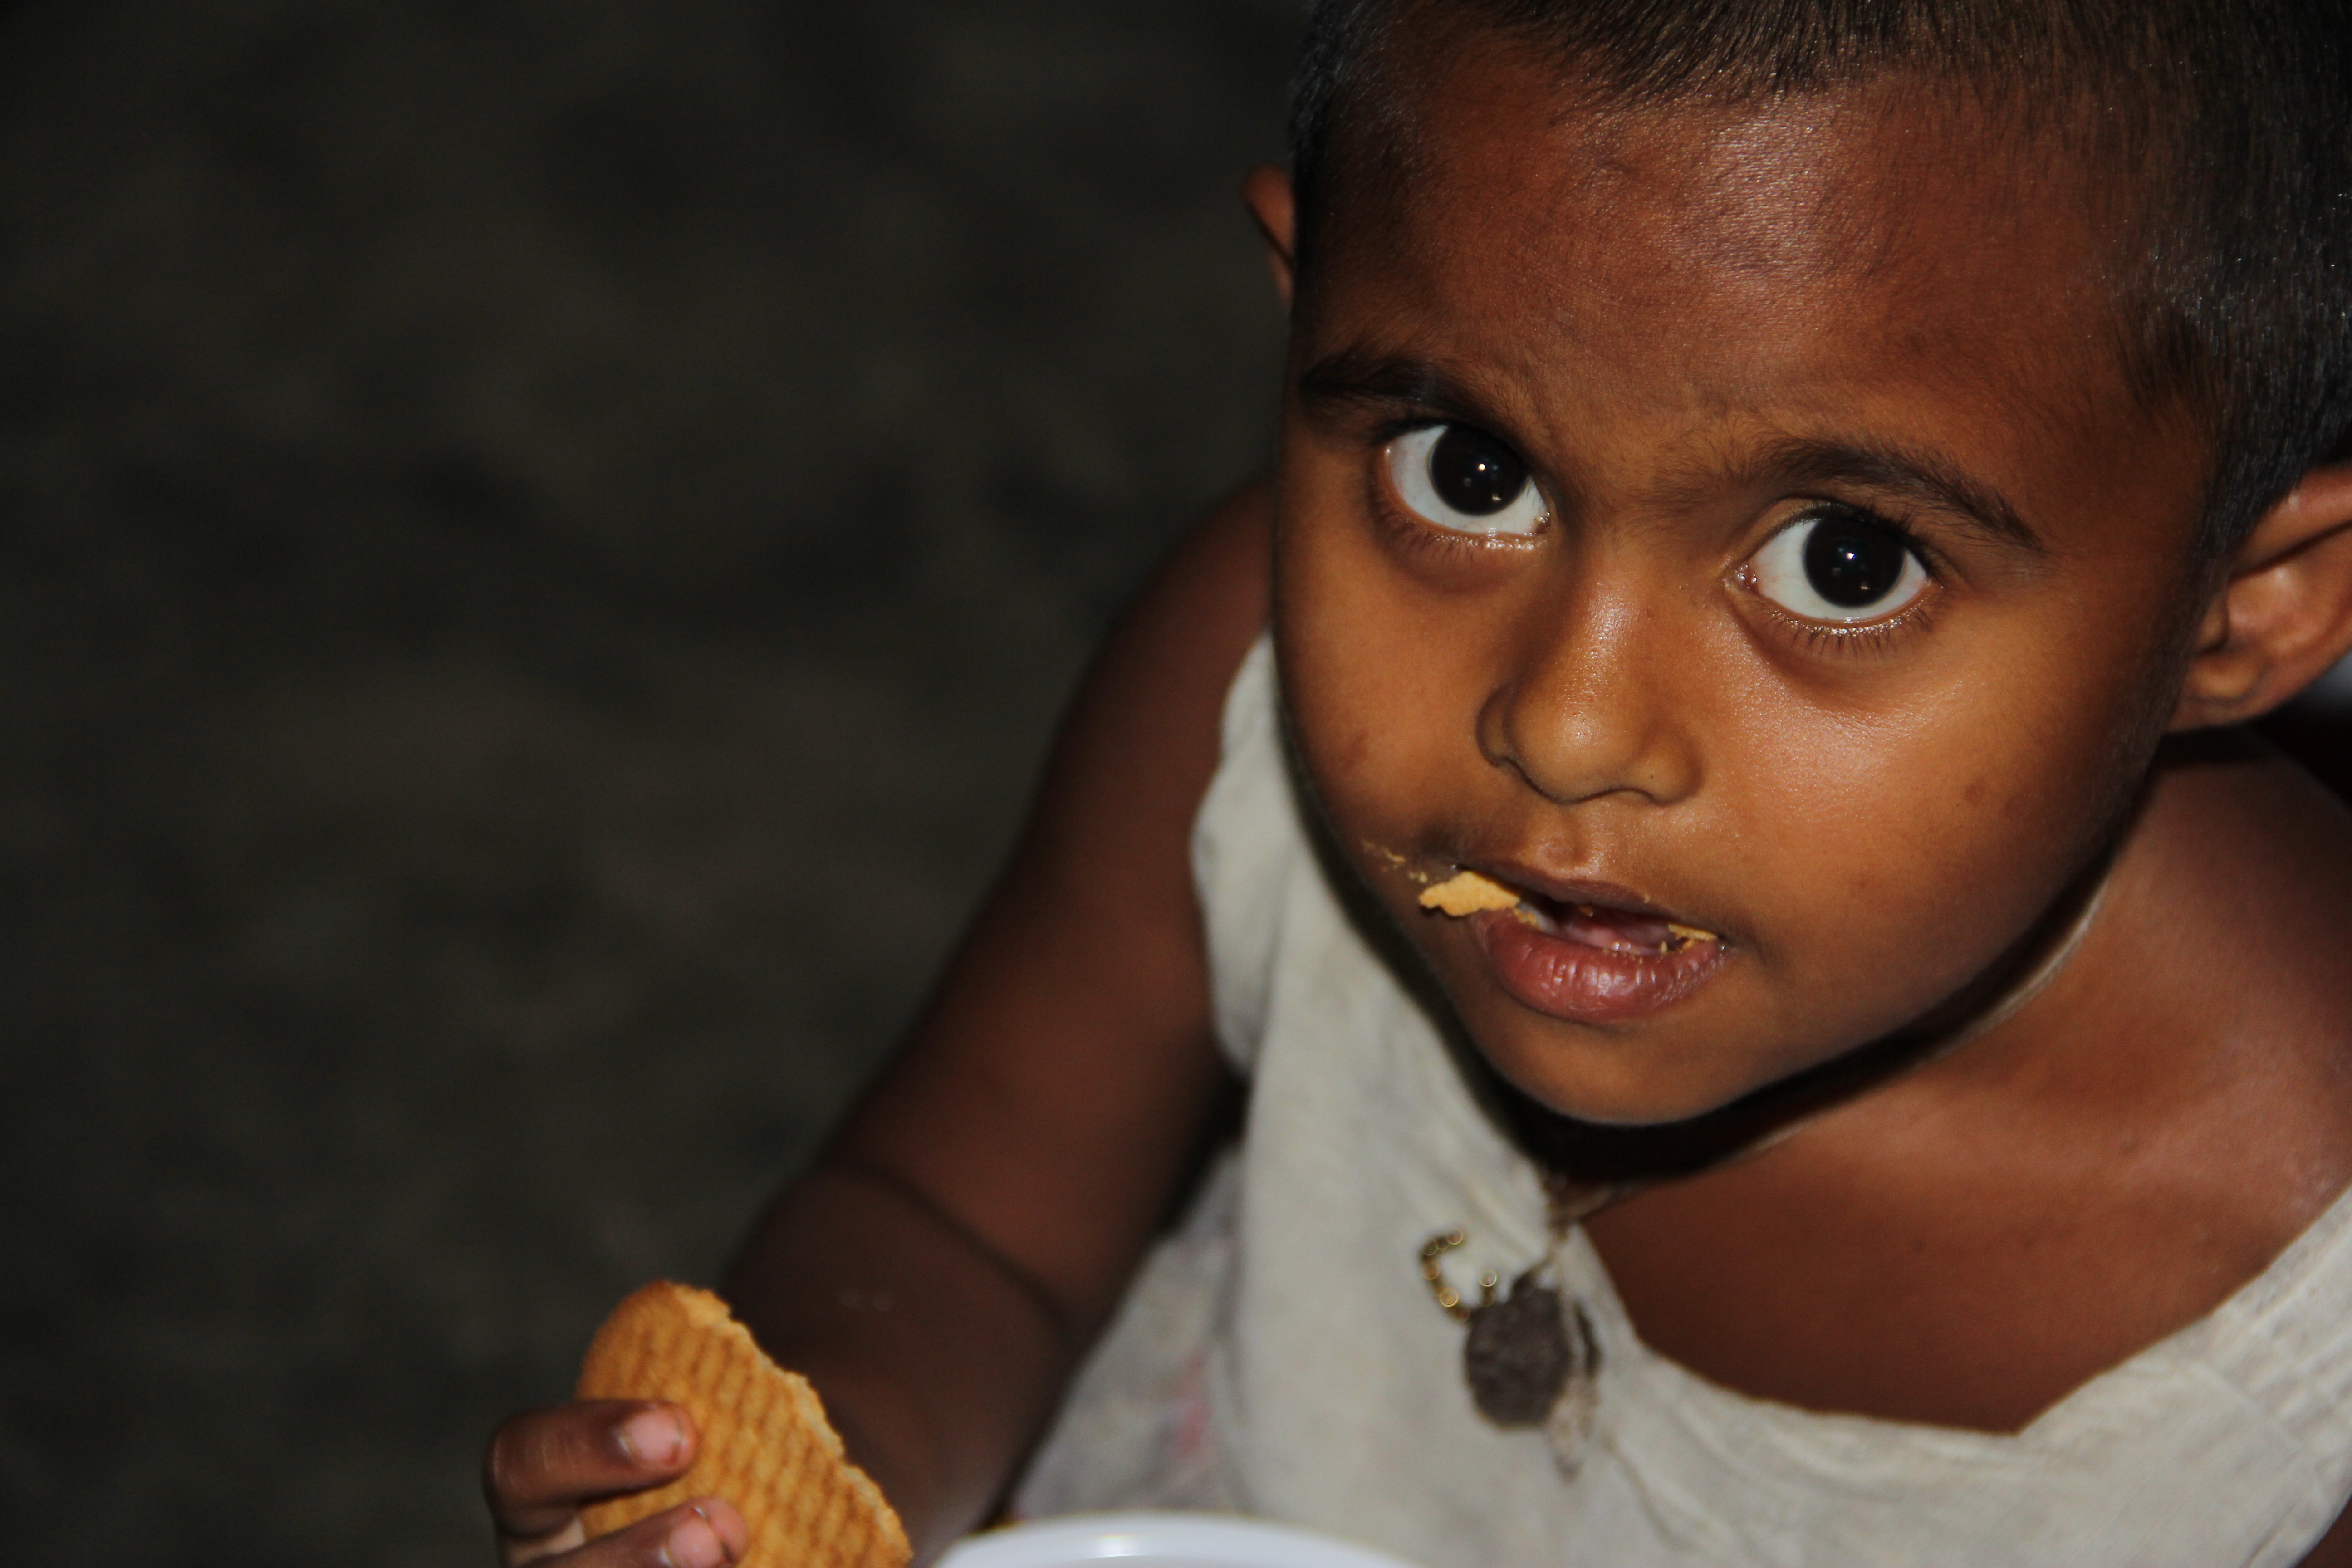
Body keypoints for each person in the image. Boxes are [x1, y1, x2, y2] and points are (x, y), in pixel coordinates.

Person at [482, 1, 2352, 1563]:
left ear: (2246, 612)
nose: (1566, 726)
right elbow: (957, 1227)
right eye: (1467, 470)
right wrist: (796, 1489)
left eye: (1841, 564)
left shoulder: (2303, 1344)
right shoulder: (1241, 682)